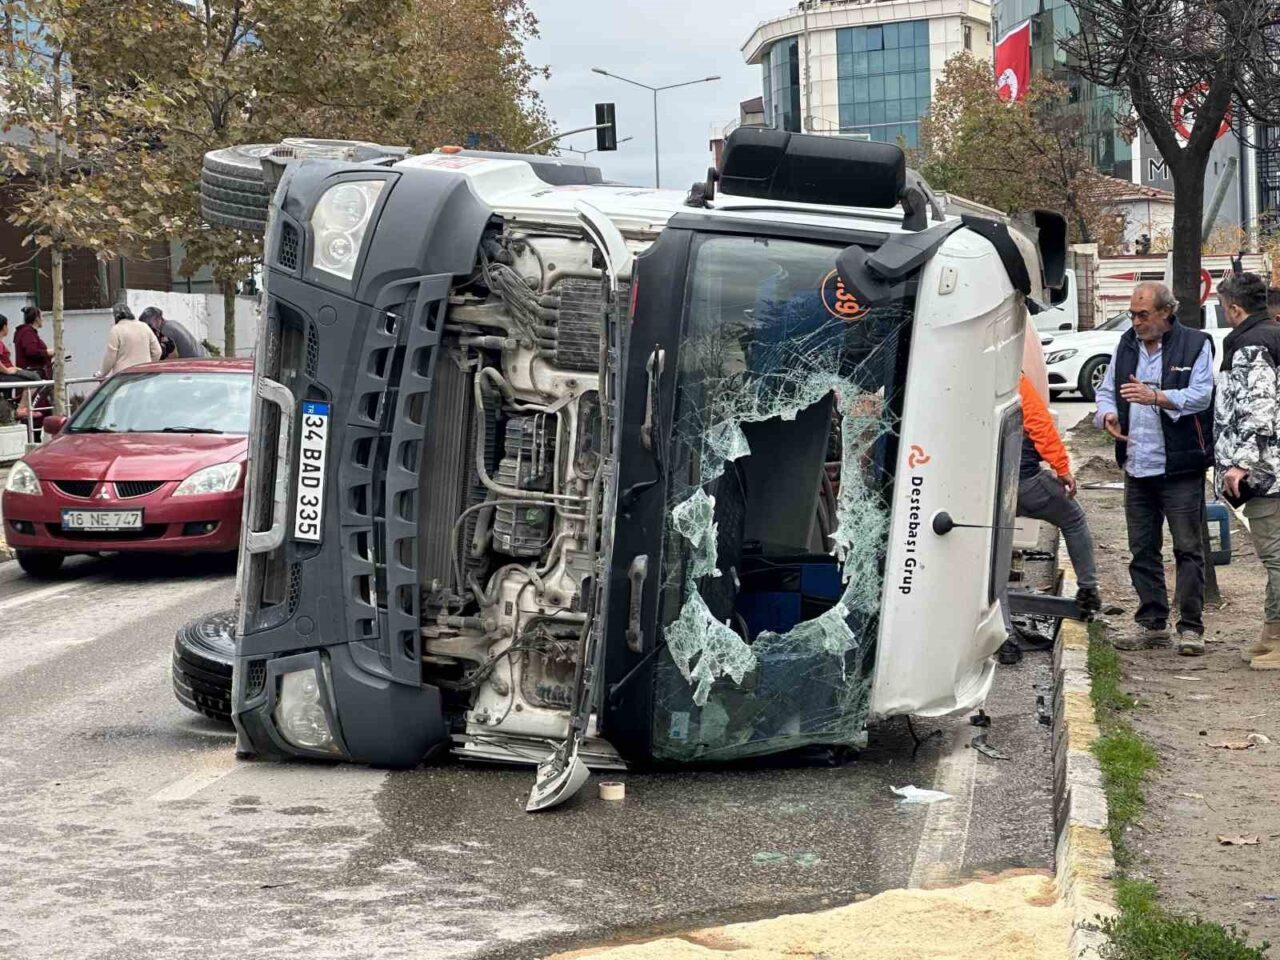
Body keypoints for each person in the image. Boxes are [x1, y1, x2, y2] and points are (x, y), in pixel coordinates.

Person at [1095, 281, 1215, 655]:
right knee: (1142, 549)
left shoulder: (1195, 344)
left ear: (1166, 312)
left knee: (1188, 548)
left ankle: (1191, 627)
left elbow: (1201, 395)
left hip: (1180, 466)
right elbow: (1106, 390)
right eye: (1132, 314)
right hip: (1137, 464)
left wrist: (1156, 397)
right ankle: (1152, 624)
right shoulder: (1126, 344)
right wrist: (1108, 414)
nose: (1136, 322)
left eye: (1143, 314)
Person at [1213, 273, 1280, 669]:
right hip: (1271, 465)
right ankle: (1271, 634)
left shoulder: (1252, 344)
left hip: (1265, 472)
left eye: (1223, 307)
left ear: (1235, 308)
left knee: (1275, 556)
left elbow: (1258, 407)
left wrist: (1241, 463)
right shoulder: (1271, 335)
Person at [96, 303, 161, 379]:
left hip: (124, 375)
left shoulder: (116, 329)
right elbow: (158, 351)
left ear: (115, 316)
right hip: (143, 374)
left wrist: (102, 373)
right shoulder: (144, 326)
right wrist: (147, 365)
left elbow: (111, 357)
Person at [14, 305, 53, 380]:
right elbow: (31, 351)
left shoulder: (27, 332)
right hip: (32, 373)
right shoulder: (27, 333)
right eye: (42, 316)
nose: (43, 319)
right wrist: (47, 352)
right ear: (37, 319)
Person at [0, 314, 39, 385]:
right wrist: (7, 371)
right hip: (3, 375)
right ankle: (25, 393)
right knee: (35, 377)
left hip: (6, 372)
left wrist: (14, 368)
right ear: (4, 327)